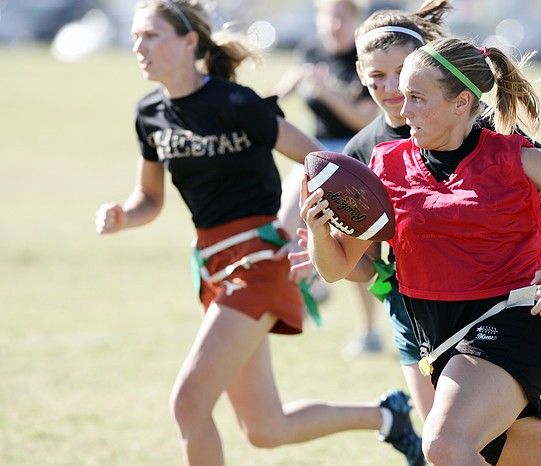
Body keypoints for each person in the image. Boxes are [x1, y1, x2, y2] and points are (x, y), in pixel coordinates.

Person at [293, 2, 541, 465]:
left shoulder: (518, 156)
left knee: (443, 444)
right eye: (400, 93)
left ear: (462, 102)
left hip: (512, 323)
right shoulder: (384, 164)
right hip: (436, 338)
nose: (403, 107)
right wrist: (321, 231)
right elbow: (339, 268)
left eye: (417, 97)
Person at [94, 1, 424, 465]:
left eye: (150, 35)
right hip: (211, 265)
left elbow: (319, 164)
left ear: (189, 41)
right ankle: (386, 415)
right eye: (135, 37)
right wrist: (124, 216)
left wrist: (317, 235)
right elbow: (148, 198)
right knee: (266, 429)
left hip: (260, 263)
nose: (138, 47)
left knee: (188, 403)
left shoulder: (233, 103)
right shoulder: (149, 113)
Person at [272, 0, 384, 357]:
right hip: (313, 156)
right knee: (285, 227)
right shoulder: (311, 51)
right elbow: (286, 94)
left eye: (342, 16)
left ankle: (369, 332)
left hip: (354, 157)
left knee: (354, 246)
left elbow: (363, 119)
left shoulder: (363, 58)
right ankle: (314, 280)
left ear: (355, 19)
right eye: (327, 16)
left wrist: (325, 91)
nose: (334, 24)